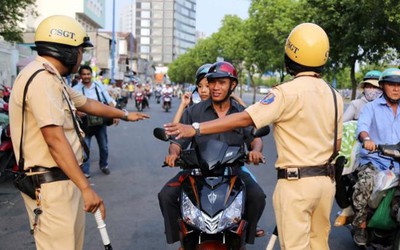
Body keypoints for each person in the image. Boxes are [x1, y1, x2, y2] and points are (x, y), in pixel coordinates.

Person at [164, 23, 343, 250]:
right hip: (326, 183)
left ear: (290, 54)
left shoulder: (286, 93)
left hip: (297, 184)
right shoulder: (334, 95)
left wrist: (197, 128)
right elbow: (336, 144)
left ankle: (245, 233)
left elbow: (246, 119)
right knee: (319, 244)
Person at [9, 15, 149, 250]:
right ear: (65, 50)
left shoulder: (53, 78)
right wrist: (86, 187)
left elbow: (87, 103)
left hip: (64, 181)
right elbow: (54, 138)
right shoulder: (42, 79)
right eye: (80, 51)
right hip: (51, 184)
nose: (81, 57)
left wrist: (124, 114)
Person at [158, 61, 266, 247]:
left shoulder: (241, 114)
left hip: (233, 171)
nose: (215, 87)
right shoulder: (193, 111)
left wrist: (255, 151)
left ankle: (245, 235)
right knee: (166, 195)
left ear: (232, 85)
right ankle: (182, 236)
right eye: (212, 82)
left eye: (221, 83)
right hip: (197, 171)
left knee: (257, 196)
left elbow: (254, 138)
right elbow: (177, 142)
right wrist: (173, 154)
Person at [351, 67, 400, 246]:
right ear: (382, 86)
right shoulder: (371, 108)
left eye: (399, 85)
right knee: (364, 186)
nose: (396, 88)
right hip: (375, 161)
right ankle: (361, 225)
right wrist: (367, 139)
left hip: (398, 163)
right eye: (391, 84)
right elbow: (362, 127)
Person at [334, 70, 382, 227]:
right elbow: (342, 125)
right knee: (337, 173)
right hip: (357, 150)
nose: (372, 90)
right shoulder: (357, 105)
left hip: (384, 152)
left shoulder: (389, 107)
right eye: (369, 86)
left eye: (376, 87)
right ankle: (348, 210)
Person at [73, 65, 117, 178]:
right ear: (80, 76)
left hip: (100, 122)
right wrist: (77, 112)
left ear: (91, 75)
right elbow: (70, 105)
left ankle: (104, 165)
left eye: (88, 74)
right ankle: (86, 171)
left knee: (104, 147)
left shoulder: (98, 86)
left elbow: (109, 100)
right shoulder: (76, 89)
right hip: (85, 124)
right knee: (85, 149)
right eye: (84, 74)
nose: (86, 76)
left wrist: (116, 114)